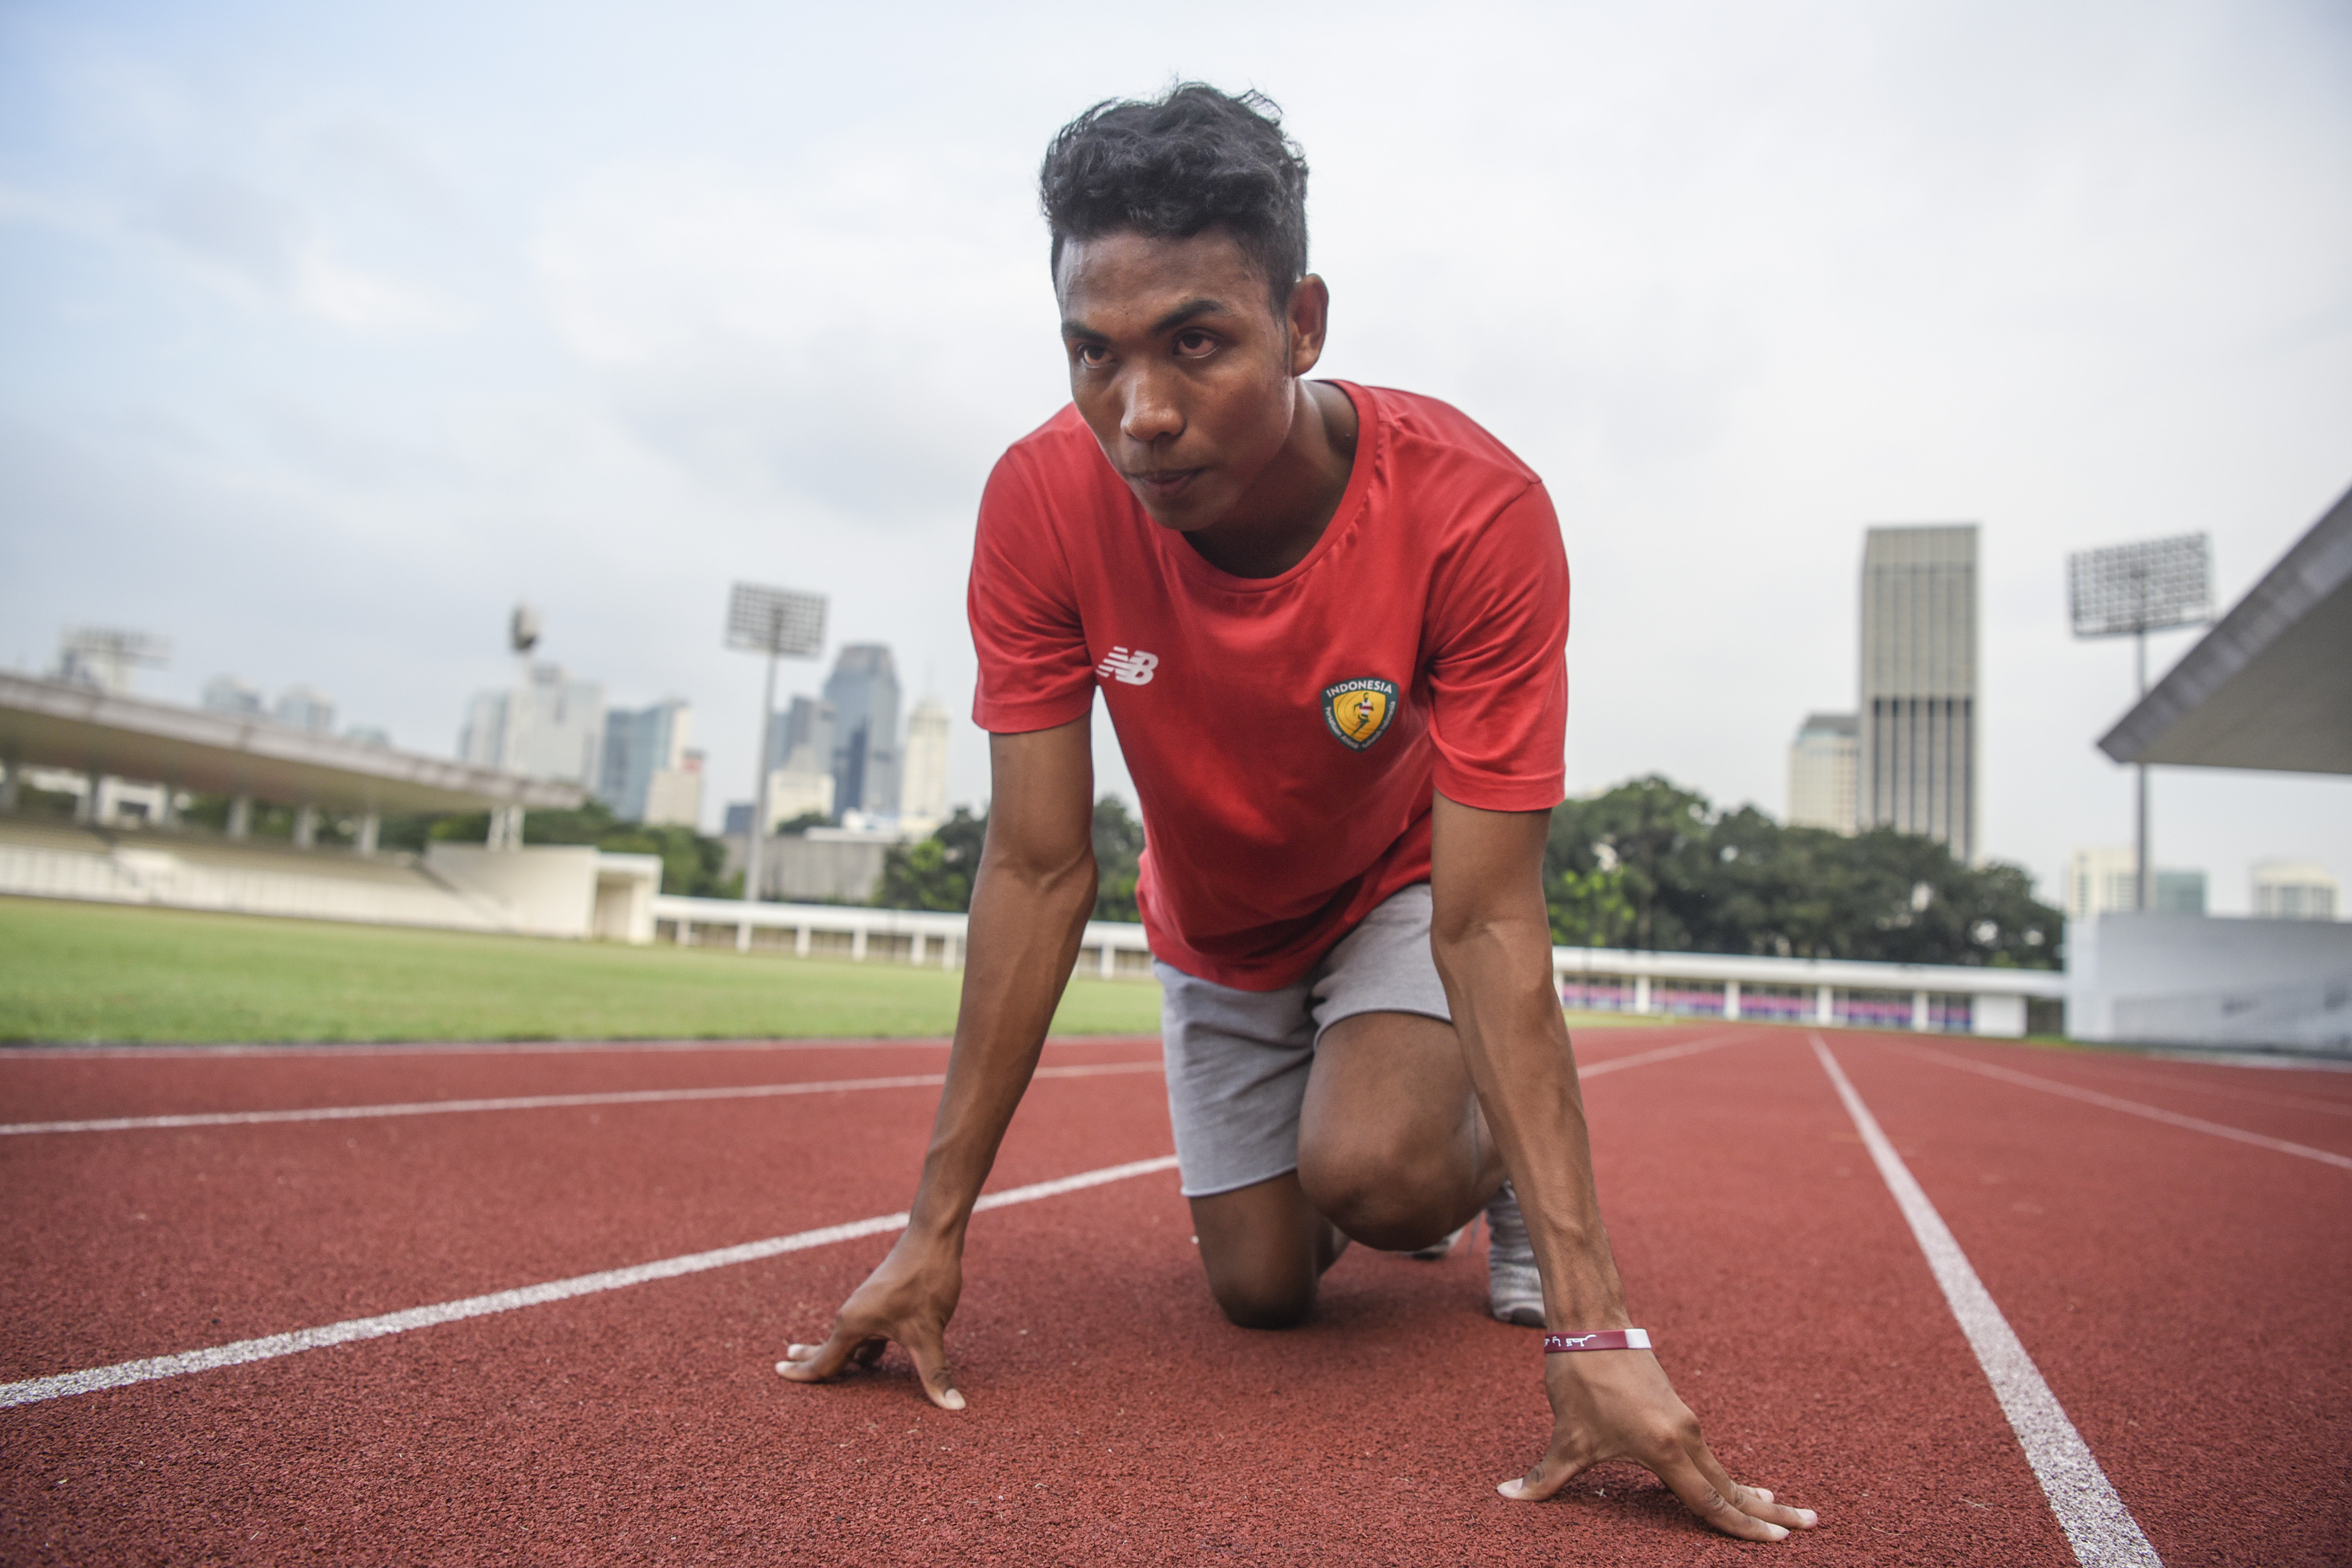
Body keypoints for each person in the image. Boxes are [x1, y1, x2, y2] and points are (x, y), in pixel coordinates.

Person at [779, 83, 1816, 1544]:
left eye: (1195, 342)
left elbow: (1486, 910)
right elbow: (1031, 864)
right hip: (1213, 925)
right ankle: (1345, 1128)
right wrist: (929, 1232)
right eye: (1095, 352)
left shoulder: (1473, 511)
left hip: (1395, 884)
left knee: (1380, 1180)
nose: (1139, 413)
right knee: (1262, 1292)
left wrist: (1590, 1329)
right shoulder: (1036, 501)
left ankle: (1489, 1174)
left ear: (1303, 322)